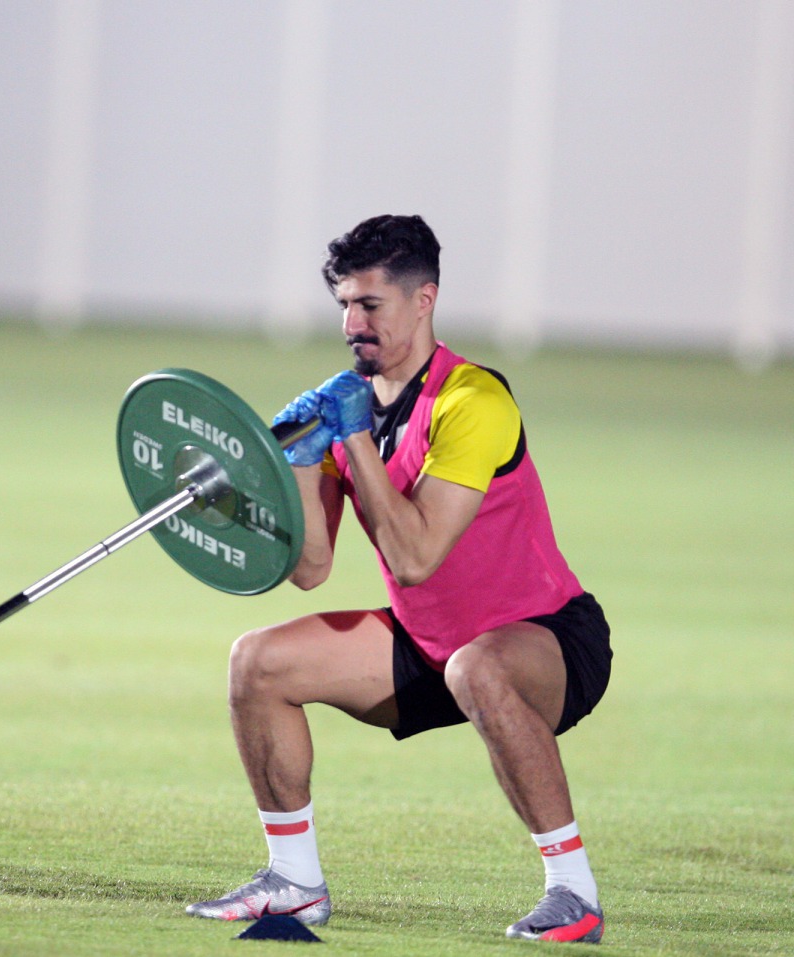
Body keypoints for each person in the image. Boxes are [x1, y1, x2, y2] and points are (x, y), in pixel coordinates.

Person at [184, 214, 612, 943]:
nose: (352, 323)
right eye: (344, 305)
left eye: (370, 304)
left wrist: (351, 436)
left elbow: (416, 558)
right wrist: (272, 478)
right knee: (258, 661)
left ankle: (574, 892)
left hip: (543, 641)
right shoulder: (346, 406)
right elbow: (312, 567)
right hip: (428, 644)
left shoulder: (472, 401)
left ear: (424, 301)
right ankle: (293, 883)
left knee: (479, 667)